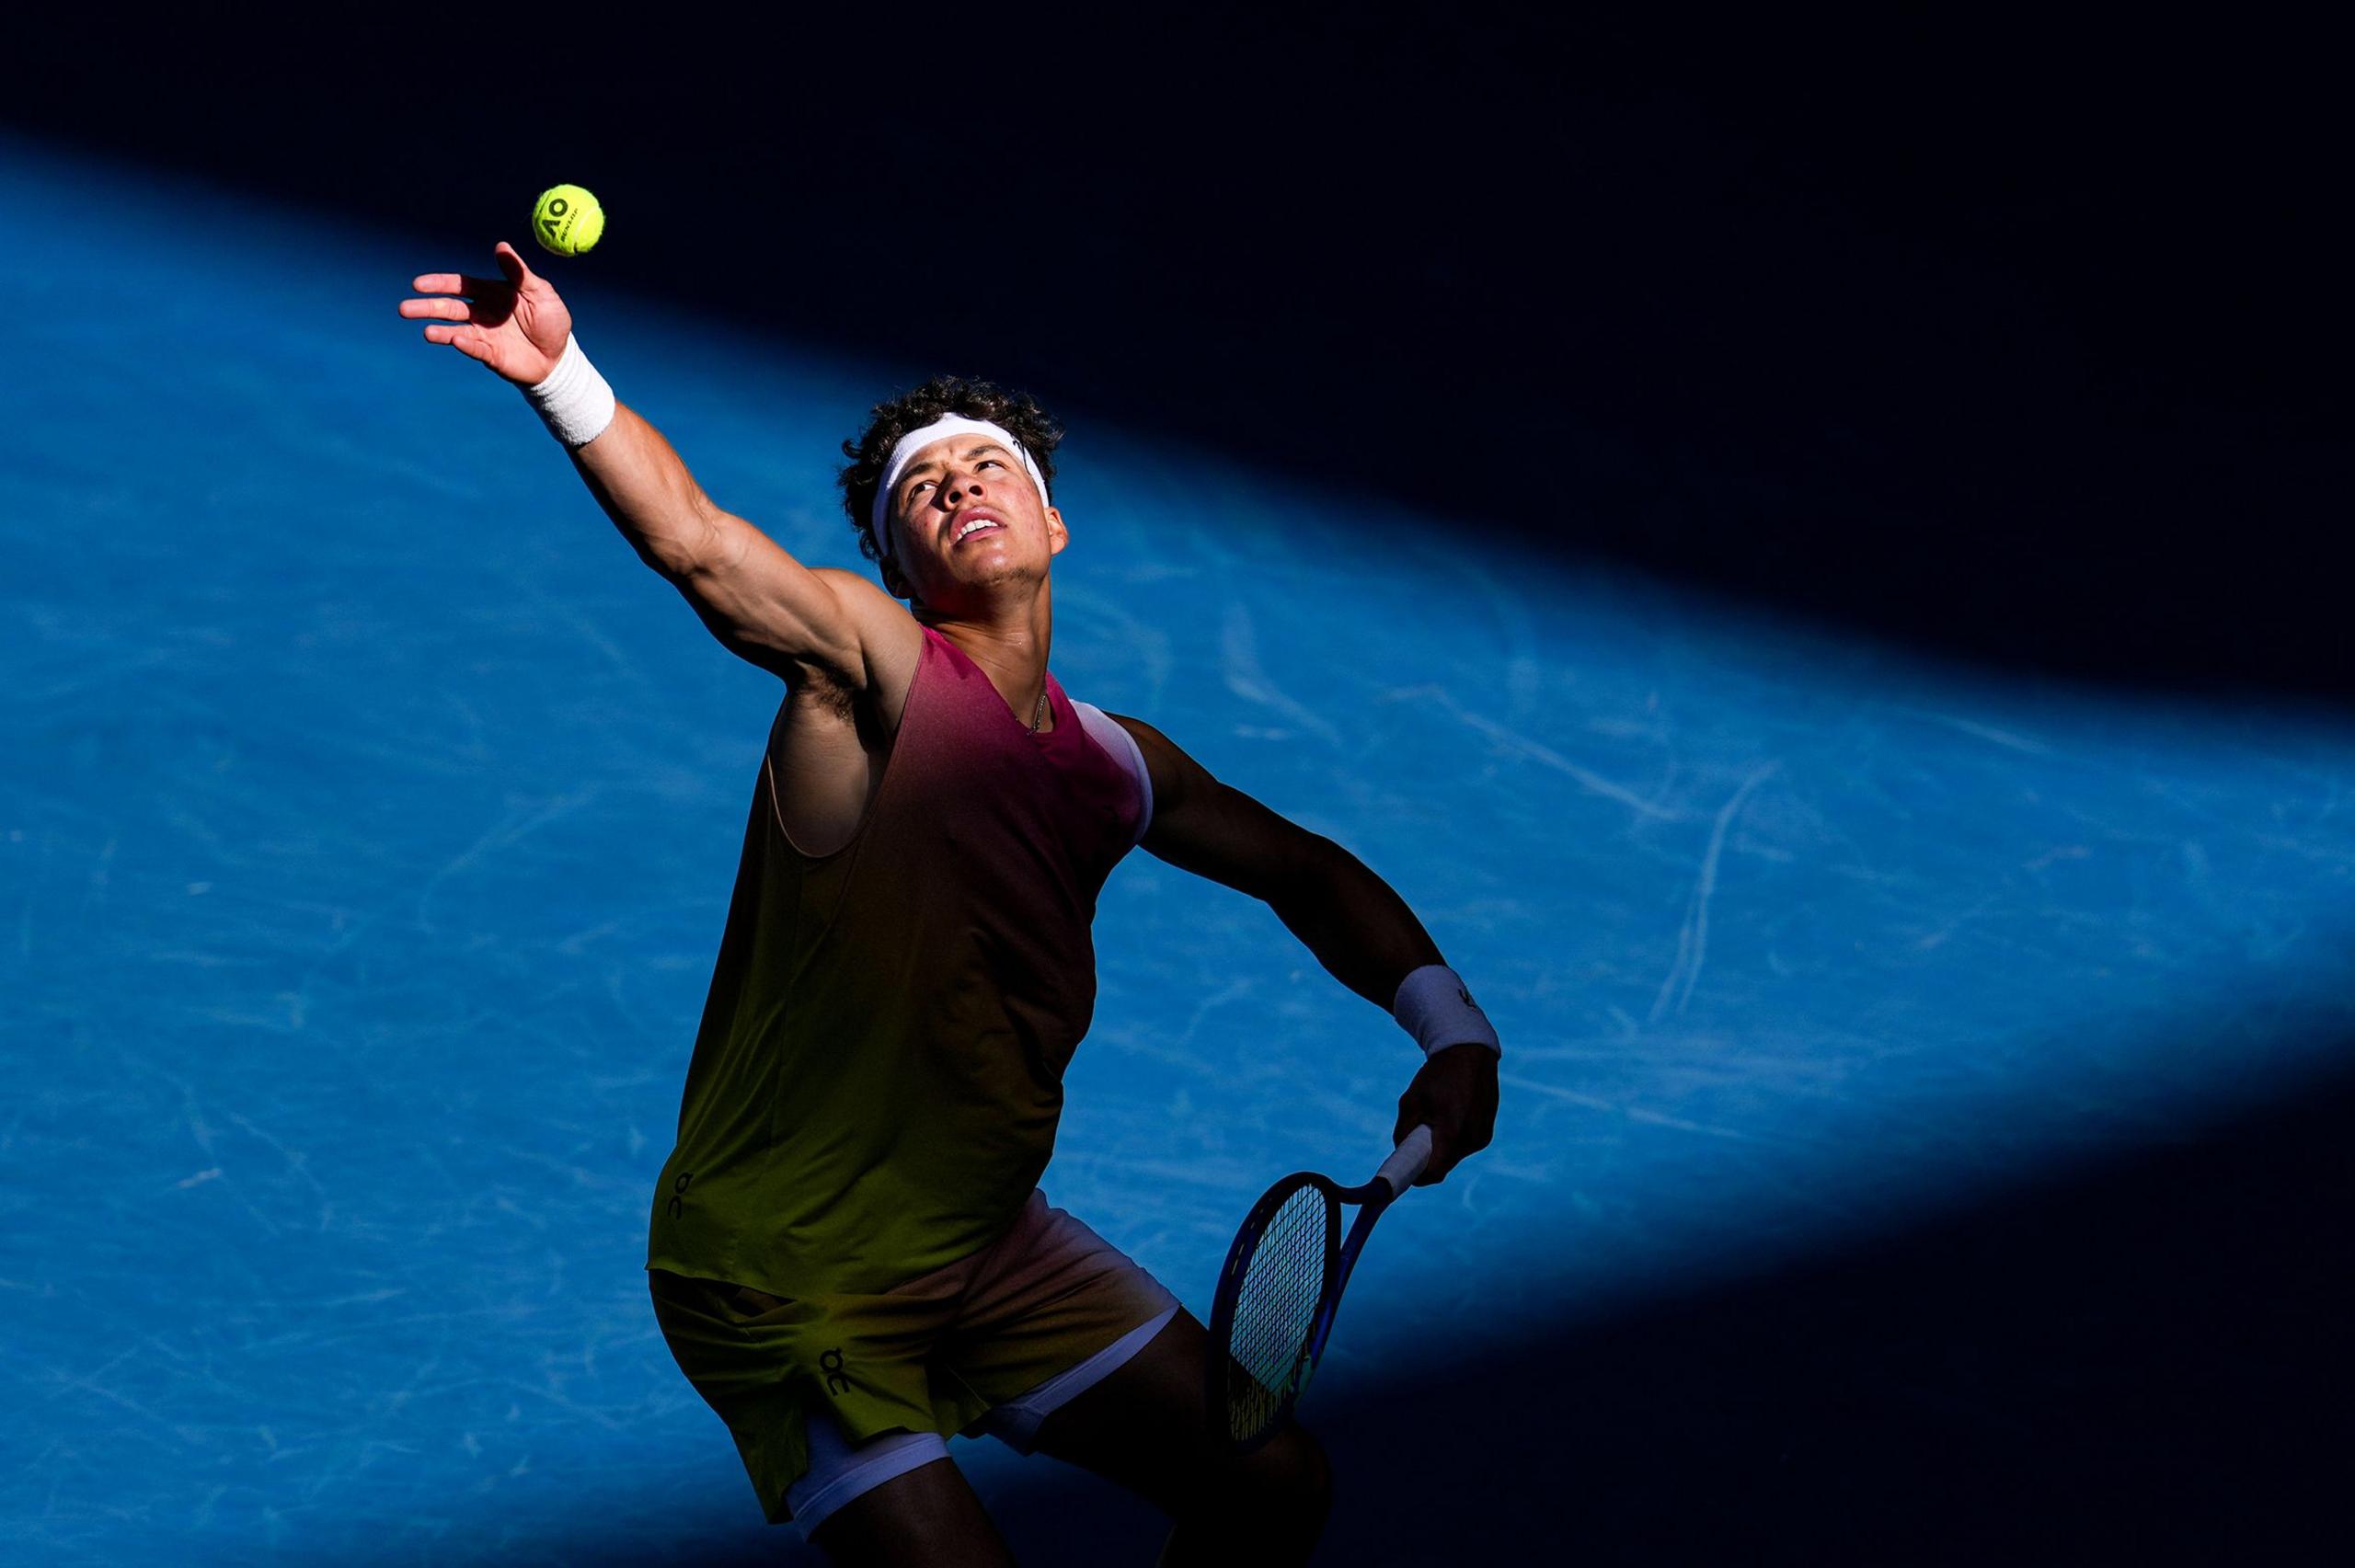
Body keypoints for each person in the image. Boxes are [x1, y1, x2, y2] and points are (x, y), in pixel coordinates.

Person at [400, 242, 1502, 1566]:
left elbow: (1304, 870)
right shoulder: (867, 668)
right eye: (920, 489)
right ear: (899, 566)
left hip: (989, 1240)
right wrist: (563, 376)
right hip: (786, 1268)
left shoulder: (1119, 767)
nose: (957, 485)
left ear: (1051, 525)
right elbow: (699, 549)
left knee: (1271, 1488)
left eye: (987, 468)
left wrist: (1451, 1029)